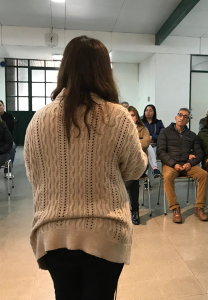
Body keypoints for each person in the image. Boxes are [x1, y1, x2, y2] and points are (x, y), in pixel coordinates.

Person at [24, 36, 147, 300]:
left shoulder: (38, 120)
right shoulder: (118, 116)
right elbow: (136, 170)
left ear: (65, 68)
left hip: (52, 234)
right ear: (105, 71)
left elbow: (34, 176)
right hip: (105, 233)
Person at [157, 108, 208, 223]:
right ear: (176, 117)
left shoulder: (192, 135)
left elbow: (199, 153)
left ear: (187, 121)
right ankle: (175, 208)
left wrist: (190, 163)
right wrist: (173, 164)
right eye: (180, 115)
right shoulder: (165, 132)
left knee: (203, 175)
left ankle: (199, 207)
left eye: (185, 117)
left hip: (187, 165)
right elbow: (160, 152)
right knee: (168, 176)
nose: (181, 118)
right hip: (171, 165)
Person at [127, 106, 150, 225]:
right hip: (125, 163)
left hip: (140, 163)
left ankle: (134, 210)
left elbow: (146, 143)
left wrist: (130, 143)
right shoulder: (121, 129)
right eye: (129, 115)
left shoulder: (143, 129)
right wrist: (137, 142)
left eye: (133, 115)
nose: (131, 117)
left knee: (134, 175)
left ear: (137, 117)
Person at [142, 104, 165, 179]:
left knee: (147, 155)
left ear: (154, 112)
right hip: (143, 146)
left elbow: (163, 136)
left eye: (150, 110)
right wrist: (147, 139)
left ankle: (146, 179)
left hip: (155, 146)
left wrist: (152, 137)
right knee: (147, 149)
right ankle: (155, 169)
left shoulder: (159, 123)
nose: (148, 112)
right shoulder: (141, 123)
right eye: (146, 110)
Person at [0, 100, 16, 178]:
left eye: (0, 105)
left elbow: (8, 130)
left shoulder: (9, 116)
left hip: (6, 141)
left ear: (4, 106)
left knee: (12, 147)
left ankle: (7, 170)